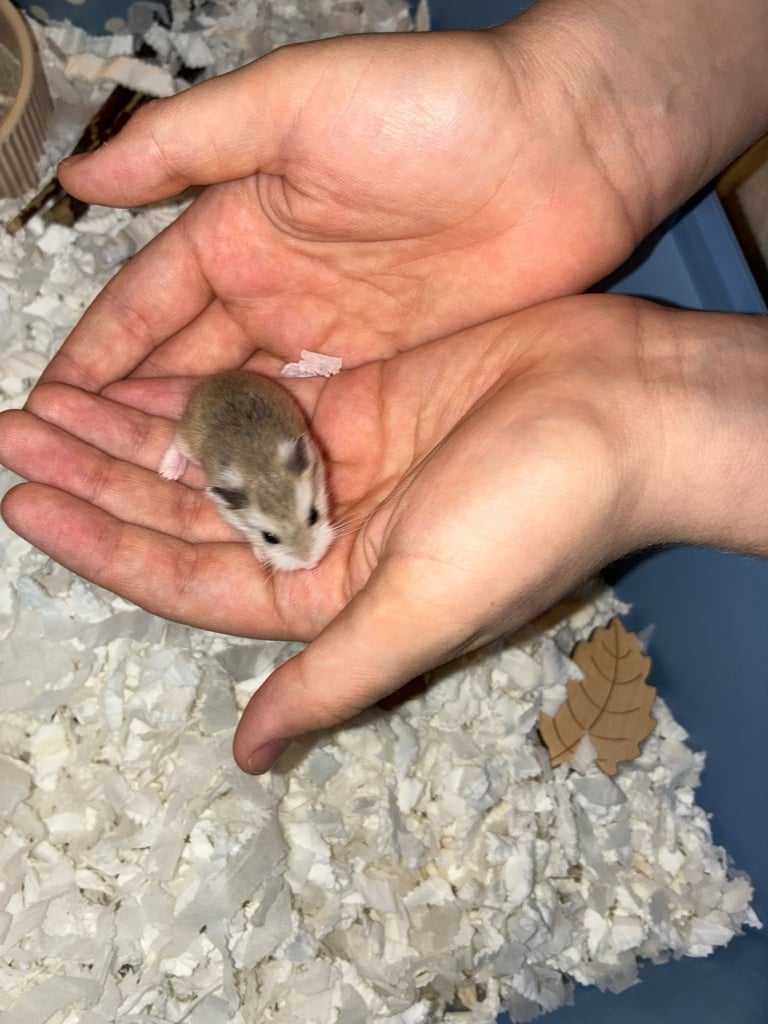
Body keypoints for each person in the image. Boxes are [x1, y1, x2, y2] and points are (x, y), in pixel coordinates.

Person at [1, 0, 767, 773]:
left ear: (309, 465)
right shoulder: (229, 460)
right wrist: (569, 113)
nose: (302, 547)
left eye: (299, 521)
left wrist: (655, 414)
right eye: (275, 537)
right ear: (226, 500)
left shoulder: (289, 442)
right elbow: (209, 440)